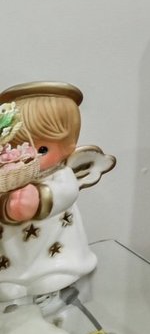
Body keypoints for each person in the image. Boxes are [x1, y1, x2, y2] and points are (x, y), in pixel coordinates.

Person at [0, 82, 116, 301]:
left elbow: (64, 194)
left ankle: (53, 272)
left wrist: (37, 199)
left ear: (68, 146)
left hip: (54, 250)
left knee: (52, 281)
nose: (27, 156)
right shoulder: (7, 176)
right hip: (12, 254)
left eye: (42, 149)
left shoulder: (60, 175)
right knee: (8, 284)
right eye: (15, 147)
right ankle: (12, 280)